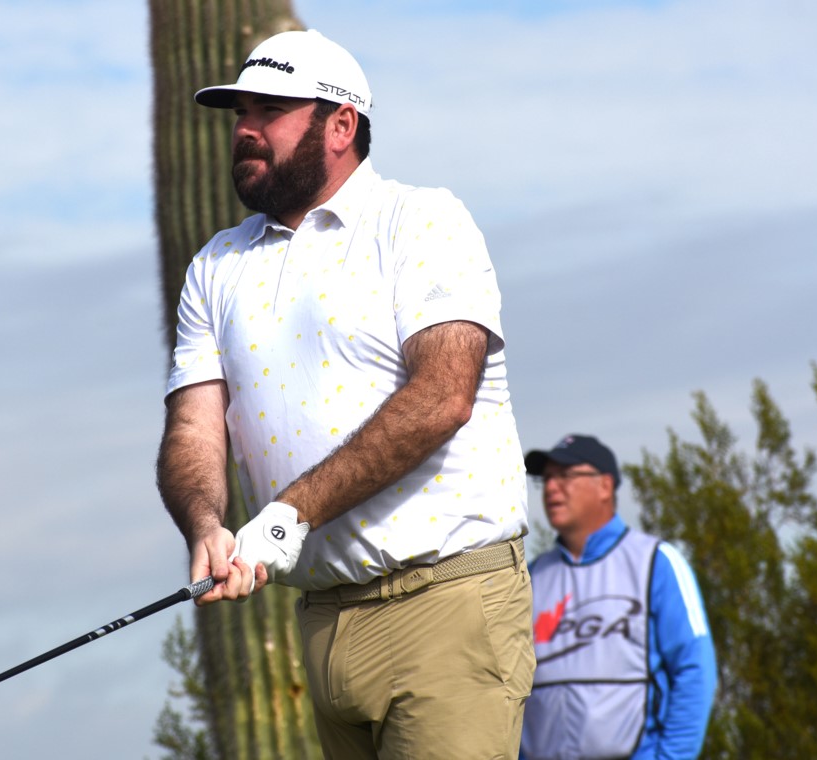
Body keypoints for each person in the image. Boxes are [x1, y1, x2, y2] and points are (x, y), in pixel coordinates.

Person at [155, 29, 533, 760]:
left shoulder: (422, 220)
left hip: (446, 604)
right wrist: (205, 524)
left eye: (271, 109)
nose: (245, 130)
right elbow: (195, 425)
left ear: (341, 124)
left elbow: (444, 396)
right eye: (239, 113)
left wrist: (291, 511)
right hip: (324, 620)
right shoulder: (216, 264)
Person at [520, 434, 717, 760]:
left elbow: (695, 669)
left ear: (605, 486)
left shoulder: (656, 562)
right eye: (547, 478)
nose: (552, 487)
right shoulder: (530, 577)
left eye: (566, 475)